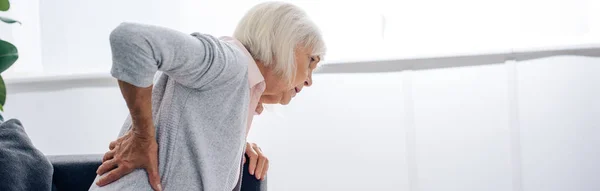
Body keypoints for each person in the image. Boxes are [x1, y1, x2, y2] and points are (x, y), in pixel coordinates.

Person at [89, 1, 326, 191]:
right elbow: (131, 40)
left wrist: (236, 146)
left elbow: (185, 129)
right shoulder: (229, 62)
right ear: (284, 42)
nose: (309, 80)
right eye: (310, 61)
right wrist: (143, 138)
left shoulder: (239, 88)